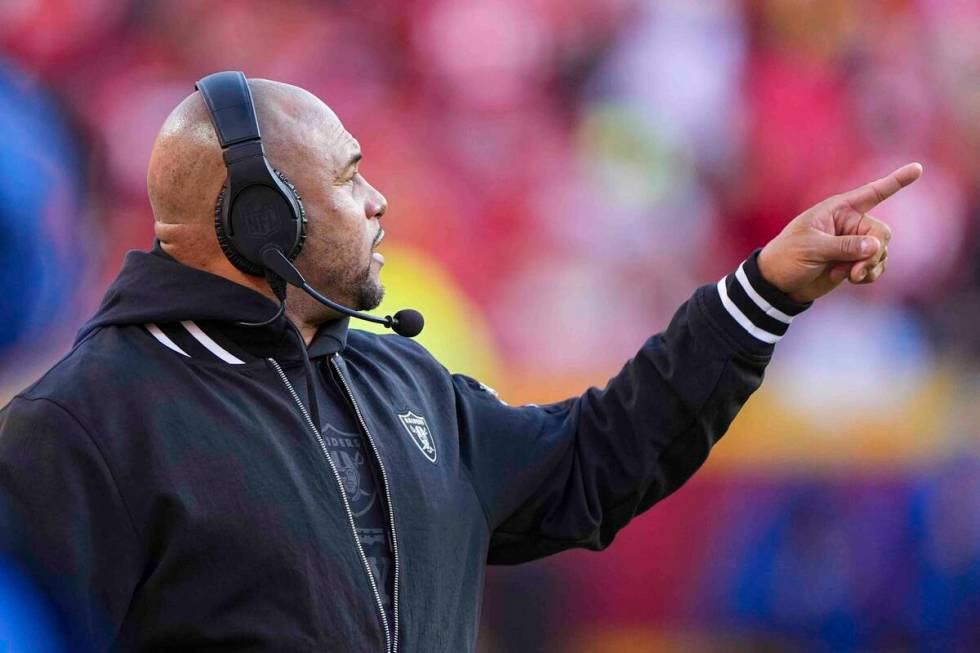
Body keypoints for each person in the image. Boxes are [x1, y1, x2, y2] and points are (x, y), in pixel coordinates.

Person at [0, 75, 921, 652]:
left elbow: (595, 459)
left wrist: (763, 290)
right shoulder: (82, 423)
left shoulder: (400, 380)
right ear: (264, 221)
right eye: (350, 176)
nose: (378, 199)